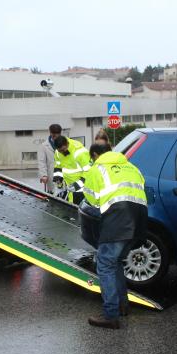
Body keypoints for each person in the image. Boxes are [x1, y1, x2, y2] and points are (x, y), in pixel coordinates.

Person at [83, 143, 147, 329]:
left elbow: (92, 200)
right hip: (139, 218)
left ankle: (110, 315)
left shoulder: (98, 169)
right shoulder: (132, 166)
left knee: (104, 265)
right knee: (115, 261)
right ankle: (122, 305)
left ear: (95, 155)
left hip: (118, 219)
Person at [53, 135, 91, 204]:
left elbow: (89, 172)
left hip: (83, 190)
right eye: (60, 151)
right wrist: (58, 179)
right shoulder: (58, 152)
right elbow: (58, 166)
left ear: (67, 144)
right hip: (69, 188)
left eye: (63, 150)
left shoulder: (80, 152)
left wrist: (77, 185)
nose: (62, 152)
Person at [38, 124, 62, 193]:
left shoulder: (66, 143)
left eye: (57, 134)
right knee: (52, 193)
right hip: (51, 174)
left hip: (65, 174)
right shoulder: (44, 146)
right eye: (53, 134)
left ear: (60, 133)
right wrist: (43, 175)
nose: (55, 137)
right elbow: (42, 162)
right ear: (50, 133)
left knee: (65, 195)